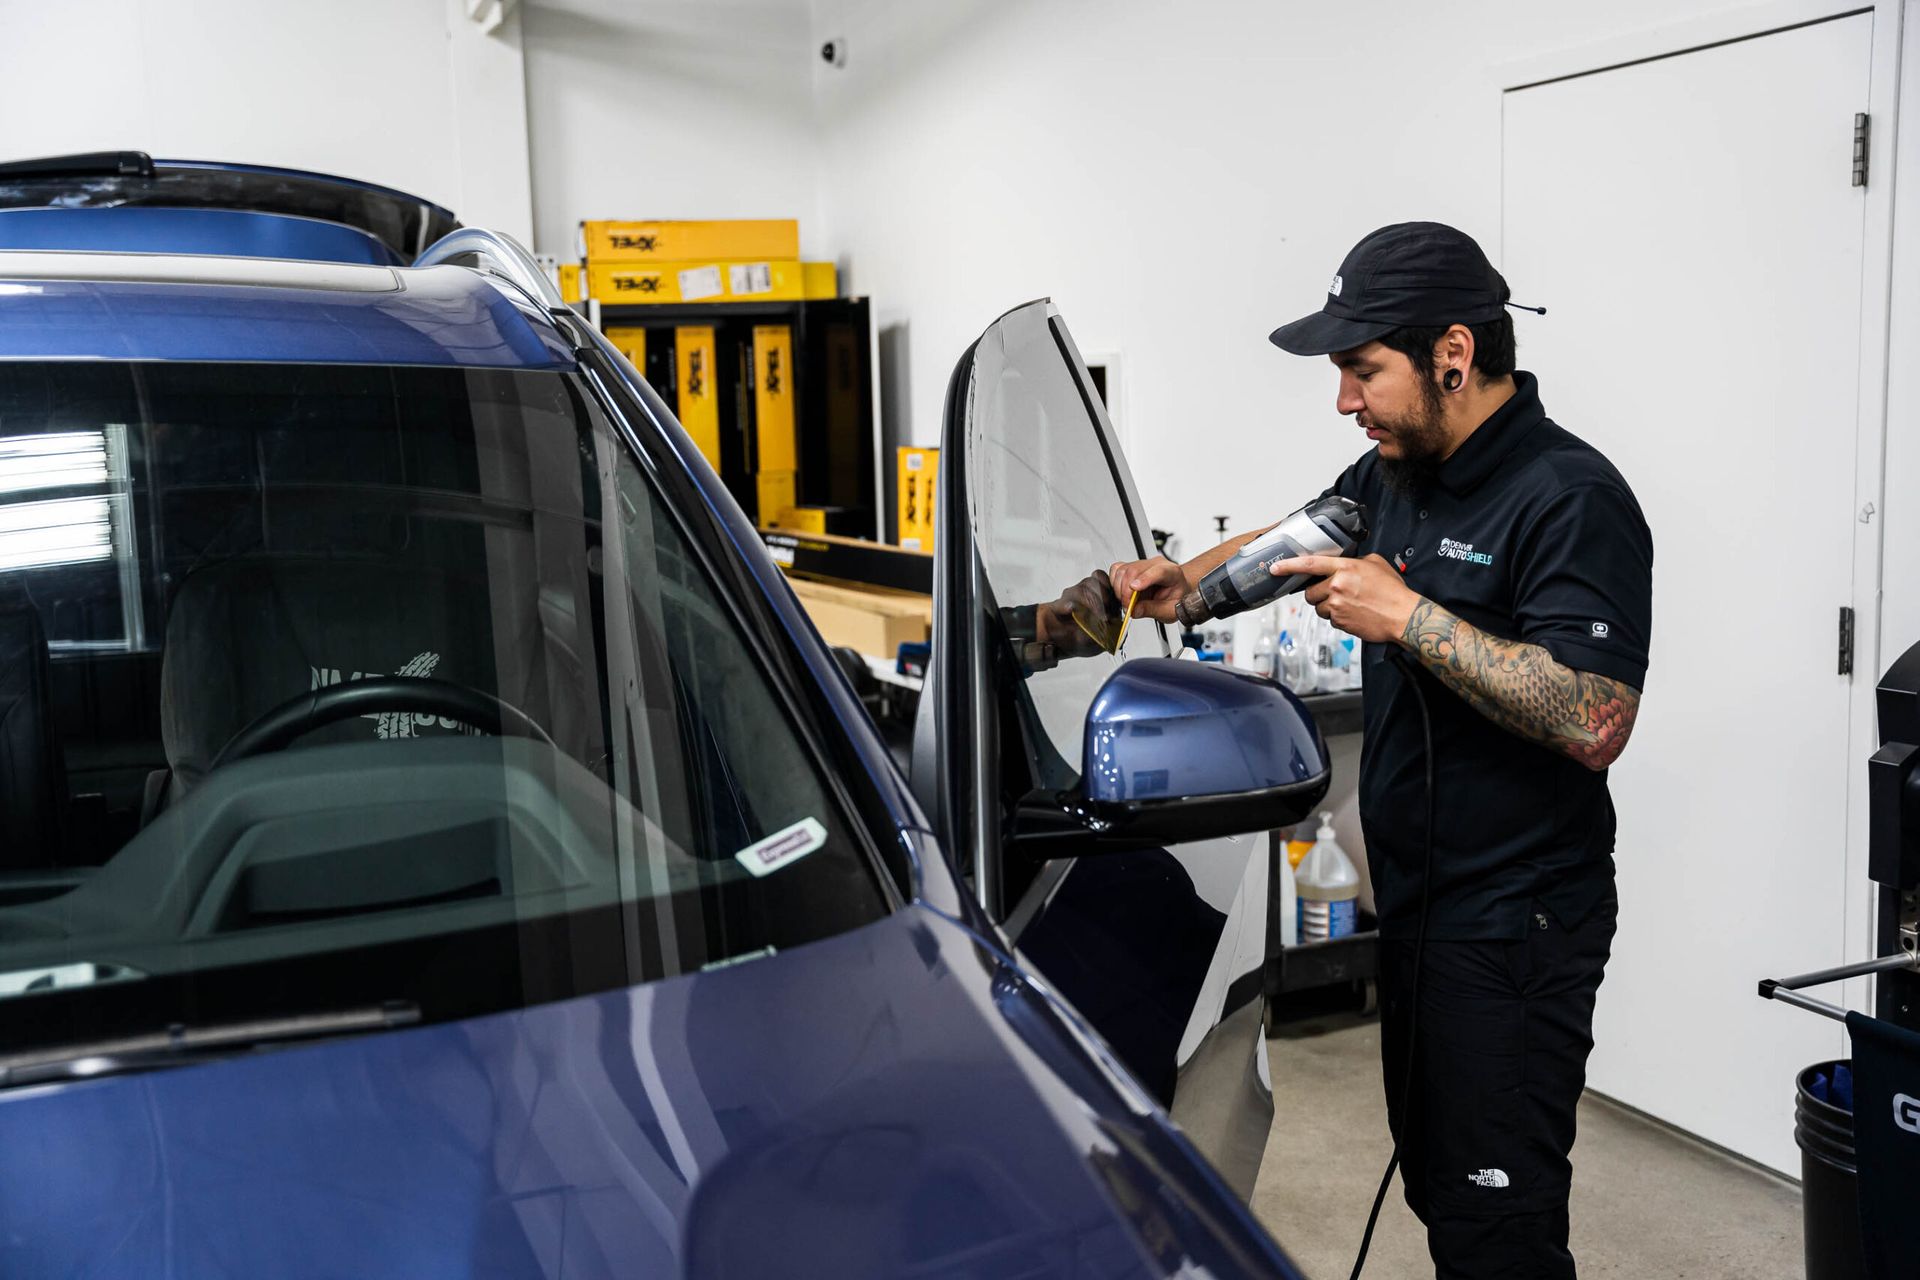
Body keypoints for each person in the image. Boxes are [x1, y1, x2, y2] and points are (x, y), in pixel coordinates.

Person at [1110, 222, 1653, 1278]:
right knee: (1444, 1186)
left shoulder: (1569, 496)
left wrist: (1411, 618)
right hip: (1422, 904)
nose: (1346, 399)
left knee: (1499, 1224)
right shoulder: (1398, 465)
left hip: (1516, 922)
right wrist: (1185, 585)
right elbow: (1296, 537)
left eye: (1363, 370)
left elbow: (1596, 719)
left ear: (1453, 353)